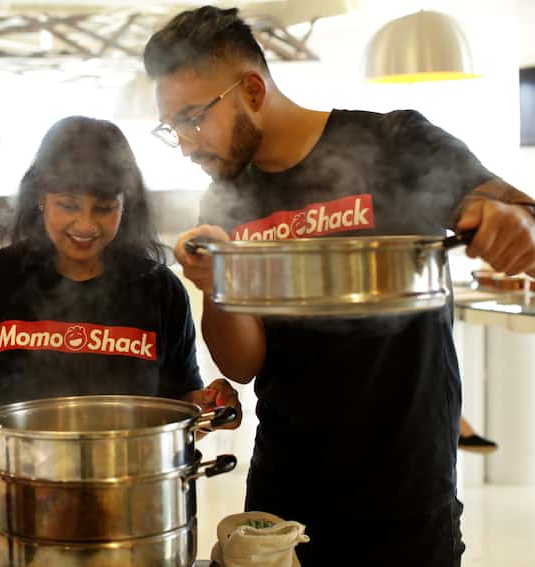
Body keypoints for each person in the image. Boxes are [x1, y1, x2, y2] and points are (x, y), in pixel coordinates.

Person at [143, 6, 535, 566]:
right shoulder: (227, 199)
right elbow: (244, 364)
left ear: (251, 88)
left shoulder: (396, 142)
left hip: (405, 490)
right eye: (172, 126)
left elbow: (512, 212)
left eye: (193, 117)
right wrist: (217, 283)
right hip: (284, 489)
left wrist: (510, 221)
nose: (185, 142)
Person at [0, 115, 241, 549]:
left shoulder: (157, 289)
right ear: (40, 198)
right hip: (7, 502)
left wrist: (207, 406)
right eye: (68, 204)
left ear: (126, 204)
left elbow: (177, 408)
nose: (86, 224)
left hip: (125, 511)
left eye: (104, 207)